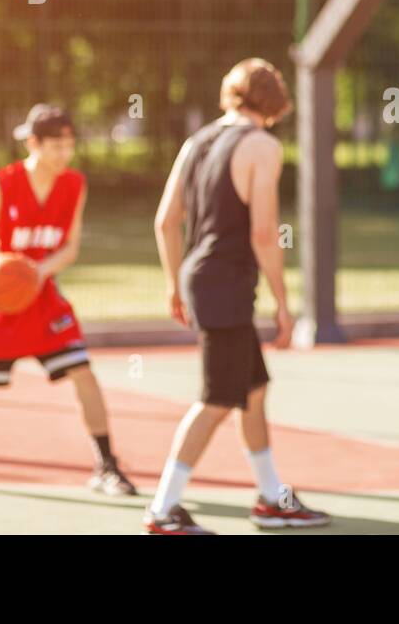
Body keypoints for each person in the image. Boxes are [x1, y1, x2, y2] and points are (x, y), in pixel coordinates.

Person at [143, 58, 329, 534]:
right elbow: (265, 234)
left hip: (200, 278)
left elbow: (166, 221)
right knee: (217, 399)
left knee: (253, 391)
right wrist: (284, 304)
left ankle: (271, 497)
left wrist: (172, 282)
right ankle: (164, 508)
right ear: (275, 103)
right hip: (225, 285)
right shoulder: (262, 146)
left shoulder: (196, 142)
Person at [0, 104, 136, 495]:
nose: (64, 154)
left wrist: (36, 273)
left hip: (42, 296)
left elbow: (70, 248)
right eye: (56, 146)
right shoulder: (1, 184)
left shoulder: (73, 185)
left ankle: (107, 465)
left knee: (83, 371)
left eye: (69, 145)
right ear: (33, 143)